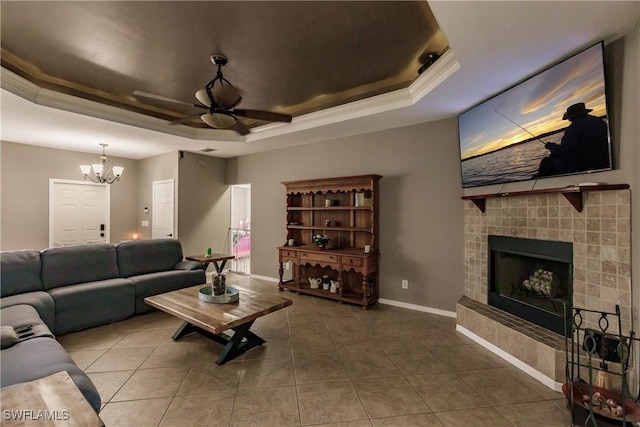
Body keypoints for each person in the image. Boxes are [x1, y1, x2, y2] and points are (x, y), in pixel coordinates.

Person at [534, 103, 610, 177]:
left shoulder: (574, 128)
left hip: (578, 163)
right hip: (599, 157)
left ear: (571, 116)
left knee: (546, 161)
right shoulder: (599, 121)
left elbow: (564, 151)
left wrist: (550, 146)